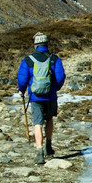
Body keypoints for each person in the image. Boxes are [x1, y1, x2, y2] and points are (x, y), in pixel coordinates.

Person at [17, 31, 66, 164]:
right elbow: (60, 77)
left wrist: (22, 90)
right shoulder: (54, 59)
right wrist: (55, 88)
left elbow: (22, 79)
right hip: (50, 96)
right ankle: (48, 146)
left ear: (35, 45)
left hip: (35, 97)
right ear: (46, 43)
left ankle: (39, 152)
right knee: (49, 119)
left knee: (37, 123)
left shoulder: (28, 60)